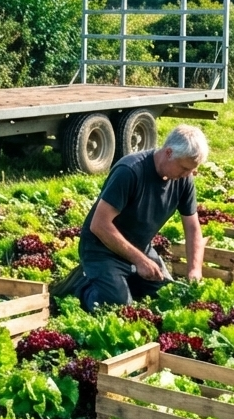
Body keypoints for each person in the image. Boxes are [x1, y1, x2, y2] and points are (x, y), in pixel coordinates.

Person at [53, 124, 208, 312]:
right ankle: (82, 284)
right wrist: (140, 261)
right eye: (184, 168)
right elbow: (99, 225)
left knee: (168, 294)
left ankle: (120, 279)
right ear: (168, 153)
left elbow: (192, 228)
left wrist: (194, 270)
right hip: (101, 248)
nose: (187, 174)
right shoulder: (130, 171)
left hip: (139, 247)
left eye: (192, 170)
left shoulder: (184, 180)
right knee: (116, 306)